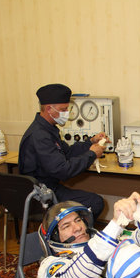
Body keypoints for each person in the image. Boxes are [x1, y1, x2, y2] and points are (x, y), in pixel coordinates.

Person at [19, 83, 108, 220]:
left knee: (92, 200)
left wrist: (91, 142)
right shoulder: (39, 136)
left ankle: (68, 232)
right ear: (49, 109)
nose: (67, 113)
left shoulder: (47, 129)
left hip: (48, 189)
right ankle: (68, 236)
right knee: (95, 202)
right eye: (63, 109)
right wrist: (92, 154)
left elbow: (68, 152)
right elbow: (63, 170)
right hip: (43, 195)